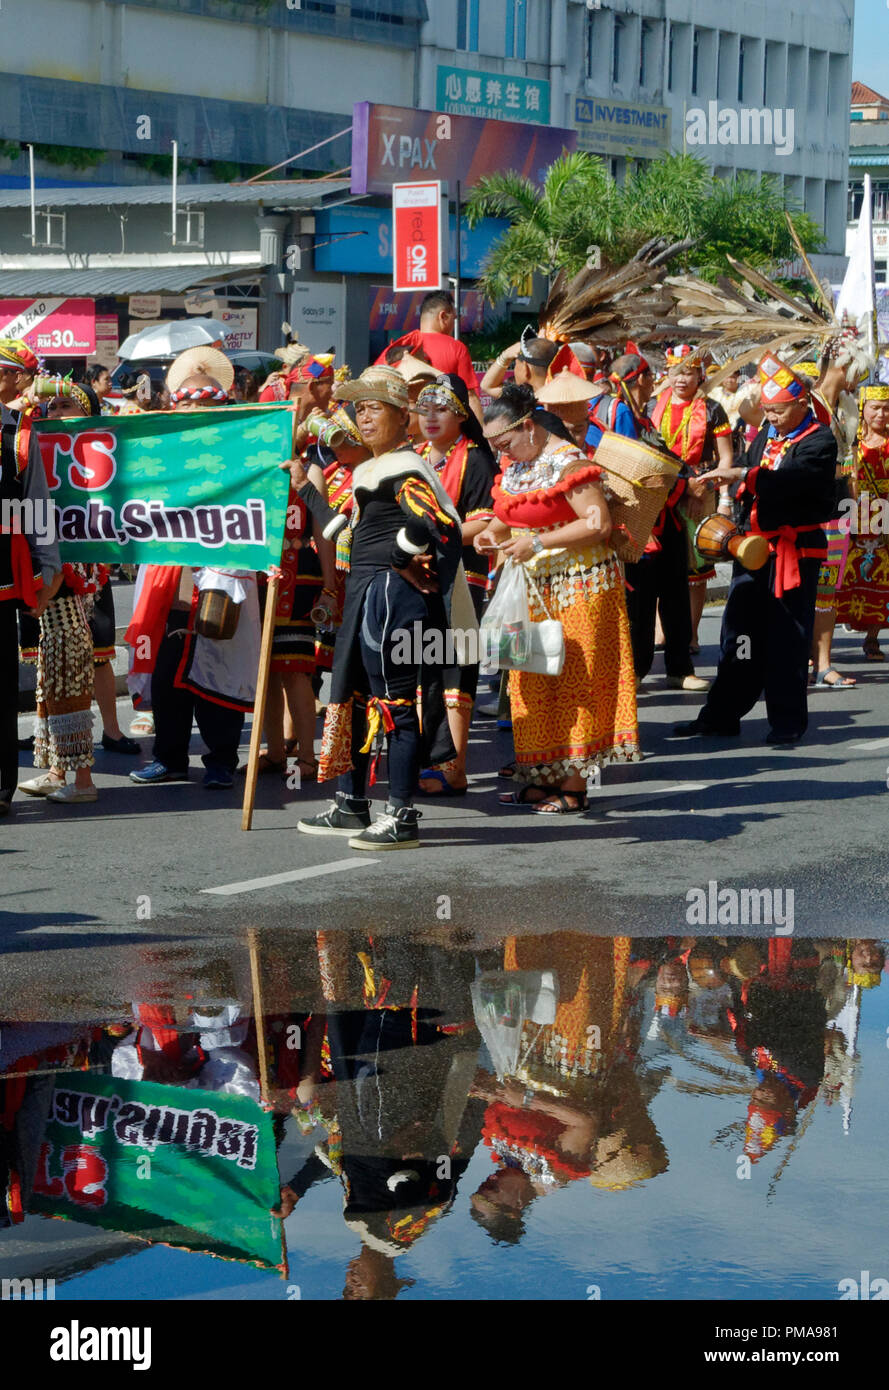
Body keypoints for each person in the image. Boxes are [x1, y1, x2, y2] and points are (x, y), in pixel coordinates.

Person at [291, 364, 472, 850]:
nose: (364, 418)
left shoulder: (405, 467)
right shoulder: (371, 469)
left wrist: (399, 559)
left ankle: (402, 815)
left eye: (375, 409)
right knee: (348, 694)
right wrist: (306, 489)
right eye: (359, 410)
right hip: (365, 594)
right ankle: (352, 803)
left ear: (401, 417)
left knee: (394, 705)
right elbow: (339, 528)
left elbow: (434, 521)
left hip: (388, 598)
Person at [475, 383, 640, 814]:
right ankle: (542, 775)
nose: (501, 454)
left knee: (575, 681)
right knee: (529, 678)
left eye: (505, 443)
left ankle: (573, 785)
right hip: (529, 586)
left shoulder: (569, 463)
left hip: (580, 586)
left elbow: (598, 523)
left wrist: (538, 541)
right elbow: (507, 512)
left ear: (528, 427)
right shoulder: (516, 465)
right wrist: (495, 532)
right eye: (495, 446)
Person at [672, 354, 837, 746]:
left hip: (794, 552)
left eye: (778, 410)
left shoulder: (819, 439)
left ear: (801, 403)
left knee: (787, 638)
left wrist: (744, 474)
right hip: (754, 548)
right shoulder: (769, 432)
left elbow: (792, 480)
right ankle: (722, 714)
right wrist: (724, 482)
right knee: (739, 635)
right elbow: (748, 463)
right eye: (768, 410)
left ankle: (786, 721)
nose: (772, 416)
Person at [128, 347, 258, 790]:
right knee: (167, 679)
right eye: (187, 405)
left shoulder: (242, 454)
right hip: (171, 581)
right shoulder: (162, 454)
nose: (195, 412)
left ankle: (222, 760)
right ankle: (170, 757)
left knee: (218, 675)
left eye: (204, 406)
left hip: (220, 577)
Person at [590, 352, 711, 691]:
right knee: (640, 601)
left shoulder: (640, 414)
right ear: (640, 379)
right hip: (640, 521)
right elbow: (637, 466)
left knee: (674, 591)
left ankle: (678, 667)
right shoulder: (621, 411)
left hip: (664, 515)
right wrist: (685, 486)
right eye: (651, 376)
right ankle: (638, 669)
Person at [18, 379, 103, 805]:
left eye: (65, 405)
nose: (54, 413)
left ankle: (84, 779)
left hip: (69, 577)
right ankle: (56, 769)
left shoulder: (96, 455)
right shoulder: (42, 447)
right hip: (51, 571)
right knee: (50, 674)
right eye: (50, 406)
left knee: (69, 671)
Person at [413, 374, 497, 795]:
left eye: (441, 408)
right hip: (420, 576)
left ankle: (454, 767)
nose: (430, 417)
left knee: (456, 671)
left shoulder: (476, 459)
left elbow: (485, 520)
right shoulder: (414, 457)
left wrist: (433, 538)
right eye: (424, 408)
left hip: (463, 578)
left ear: (461, 414)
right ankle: (429, 758)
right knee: (424, 667)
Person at [0, 346, 61, 816]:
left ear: (17, 381)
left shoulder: (18, 435)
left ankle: (1, 786)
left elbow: (35, 505)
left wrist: (49, 565)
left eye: (5, 373)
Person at [650, 345, 734, 653]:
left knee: (694, 573)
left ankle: (691, 634)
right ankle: (662, 632)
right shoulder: (652, 408)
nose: (681, 379)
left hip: (699, 492)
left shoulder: (713, 409)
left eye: (687, 372)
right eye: (675, 372)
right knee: (660, 564)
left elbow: (726, 459)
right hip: (660, 492)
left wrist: (720, 496)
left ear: (699, 375)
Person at [836, 383, 889, 658]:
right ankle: (822, 641)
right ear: (863, 408)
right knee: (844, 575)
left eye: (887, 409)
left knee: (883, 578)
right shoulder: (850, 442)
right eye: (876, 408)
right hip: (852, 512)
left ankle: (873, 637)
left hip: (885, 516)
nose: (881, 414)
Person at [375, 291, 481, 417]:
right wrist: (480, 435)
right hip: (439, 427)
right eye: (454, 318)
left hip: (401, 427)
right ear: (443, 316)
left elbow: (374, 389)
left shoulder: (395, 349)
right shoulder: (456, 348)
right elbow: (470, 397)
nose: (454, 324)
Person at [480, 335, 560, 400]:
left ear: (525, 368)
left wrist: (505, 356)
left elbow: (488, 386)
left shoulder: (523, 399)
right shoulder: (566, 393)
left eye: (516, 364)